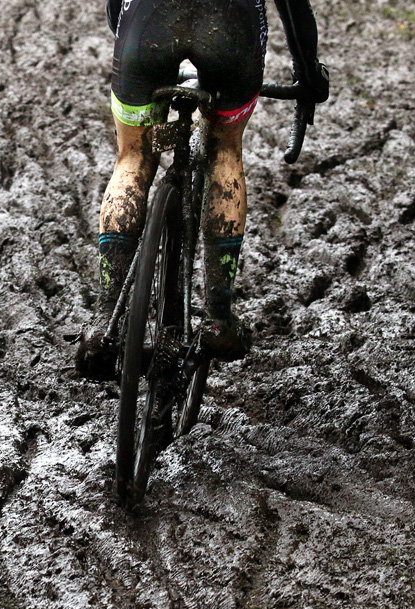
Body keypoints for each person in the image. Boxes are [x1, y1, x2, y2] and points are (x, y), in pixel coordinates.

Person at [76, 0, 329, 380]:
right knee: (224, 151)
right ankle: (218, 320)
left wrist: (129, 39)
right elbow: (293, 6)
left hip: (147, 26)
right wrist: (307, 72)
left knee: (134, 157)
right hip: (231, 29)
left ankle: (103, 322)